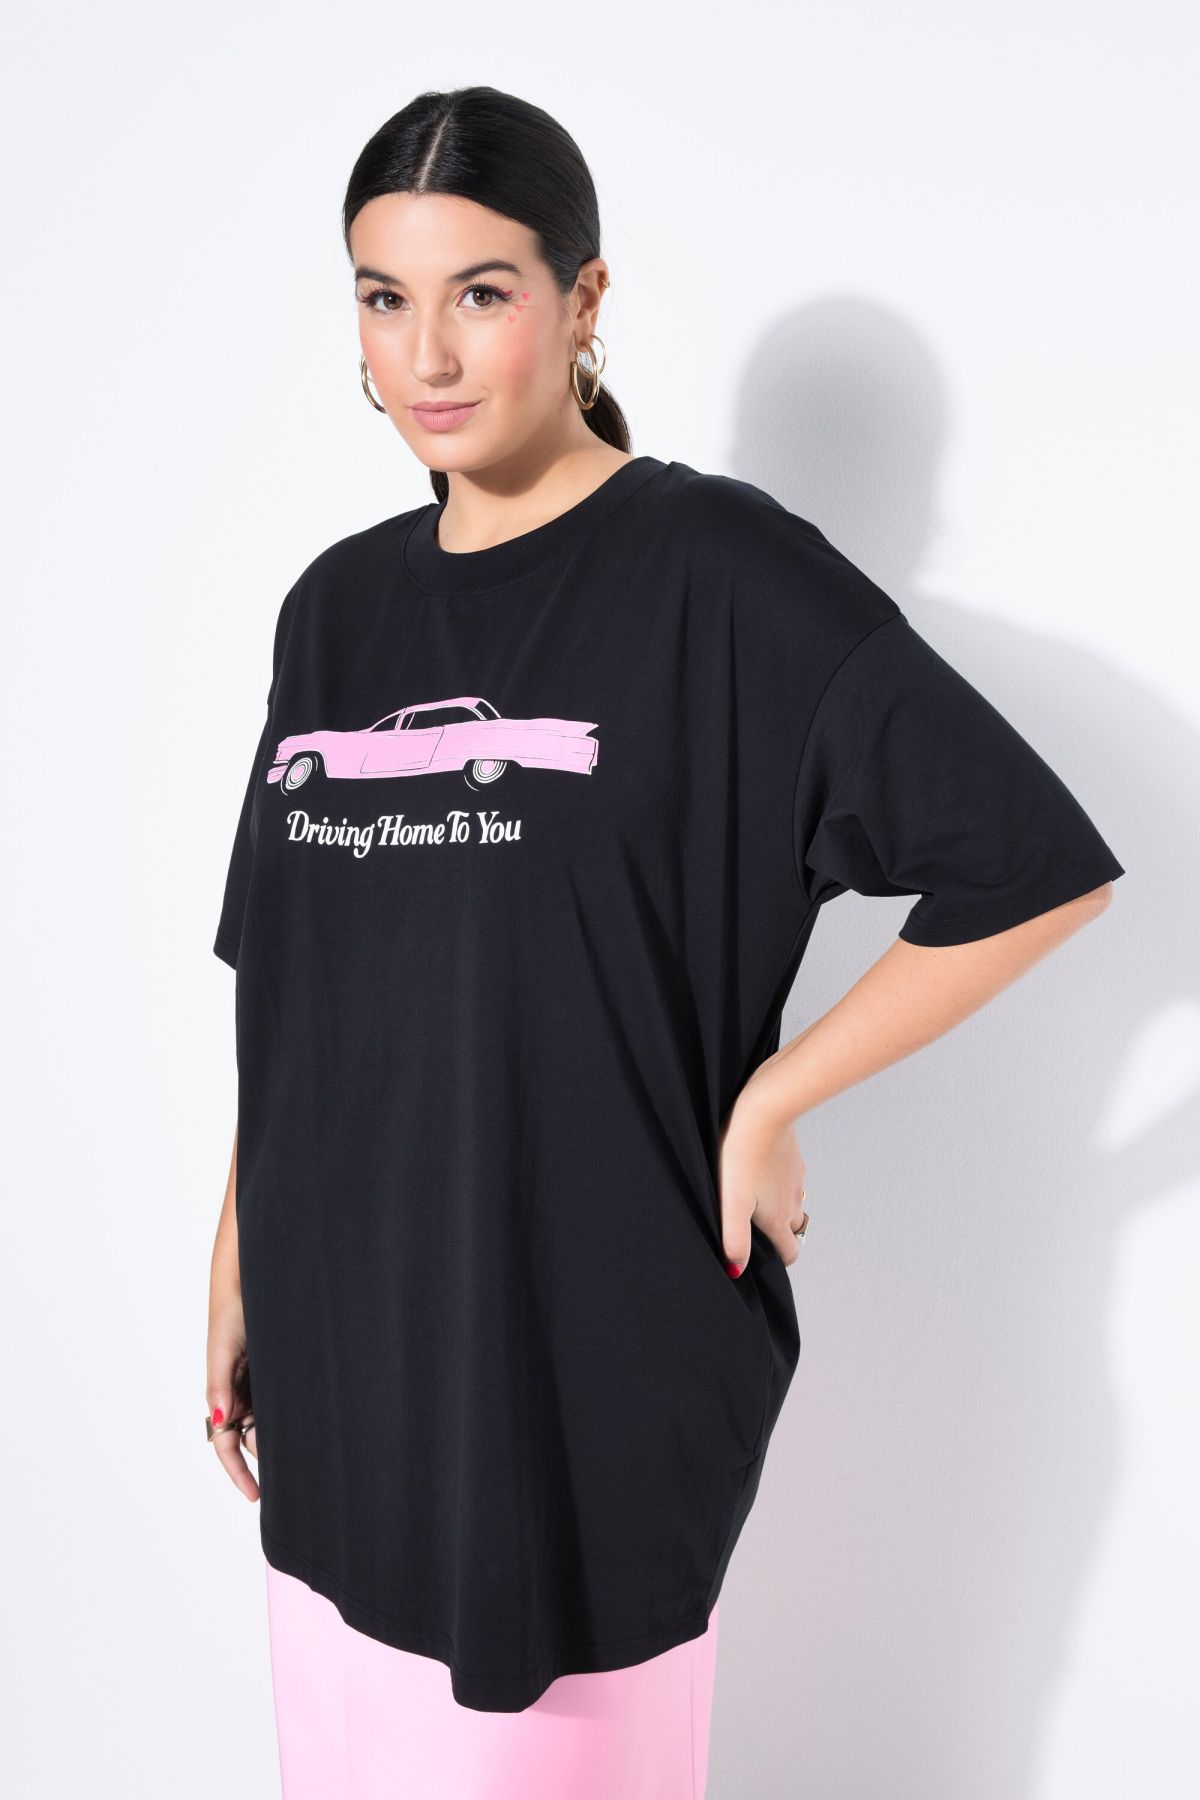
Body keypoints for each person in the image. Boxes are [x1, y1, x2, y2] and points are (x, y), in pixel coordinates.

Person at [205, 85, 1125, 1800]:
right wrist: (236, 1255)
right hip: (345, 1355)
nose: (426, 354)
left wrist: (771, 1099)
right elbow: (297, 985)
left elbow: (1030, 863)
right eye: (384, 297)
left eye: (481, 292)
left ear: (585, 299)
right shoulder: (333, 608)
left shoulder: (716, 572)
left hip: (572, 1371)